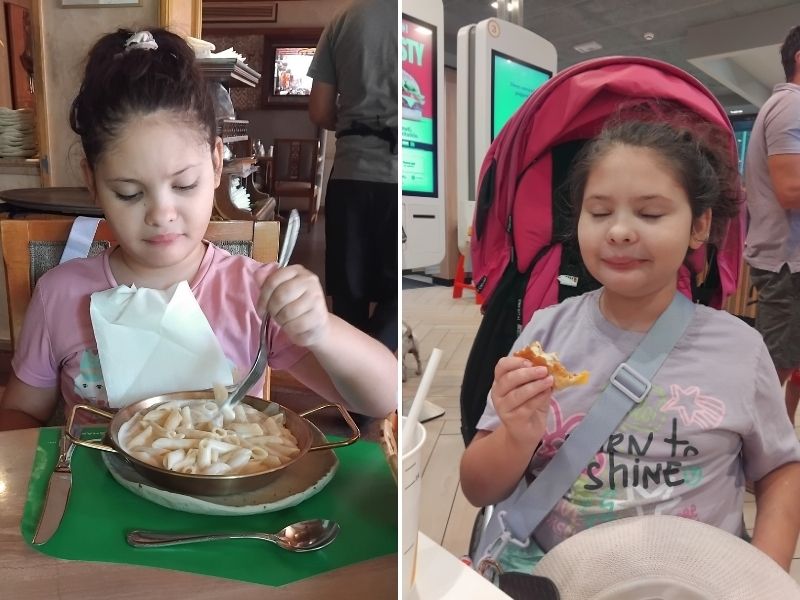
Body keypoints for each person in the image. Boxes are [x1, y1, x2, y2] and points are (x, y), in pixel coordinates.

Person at [0, 28, 397, 431]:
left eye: (184, 185)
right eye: (129, 193)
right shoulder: (60, 295)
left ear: (215, 164)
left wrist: (323, 330)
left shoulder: (254, 295)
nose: (161, 213)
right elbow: (22, 410)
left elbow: (383, 397)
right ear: (92, 183)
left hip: (227, 489)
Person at [460, 109, 800, 574]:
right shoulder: (546, 332)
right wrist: (518, 437)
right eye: (599, 212)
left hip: (694, 581)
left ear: (699, 226)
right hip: (558, 575)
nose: (618, 230)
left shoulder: (740, 349)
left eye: (650, 212)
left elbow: (780, 469)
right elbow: (479, 489)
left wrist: (764, 574)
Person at [307, 0, 398, 352]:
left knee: (349, 292)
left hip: (352, 173)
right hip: (403, 177)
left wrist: (354, 122)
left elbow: (319, 109)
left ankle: (355, 392)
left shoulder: (344, 19)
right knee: (398, 289)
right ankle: (378, 377)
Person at [743, 25, 800, 425]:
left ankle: (779, 450)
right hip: (787, 264)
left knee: (789, 365)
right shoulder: (793, 107)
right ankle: (748, 458)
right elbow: (791, 191)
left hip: (790, 263)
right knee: (772, 369)